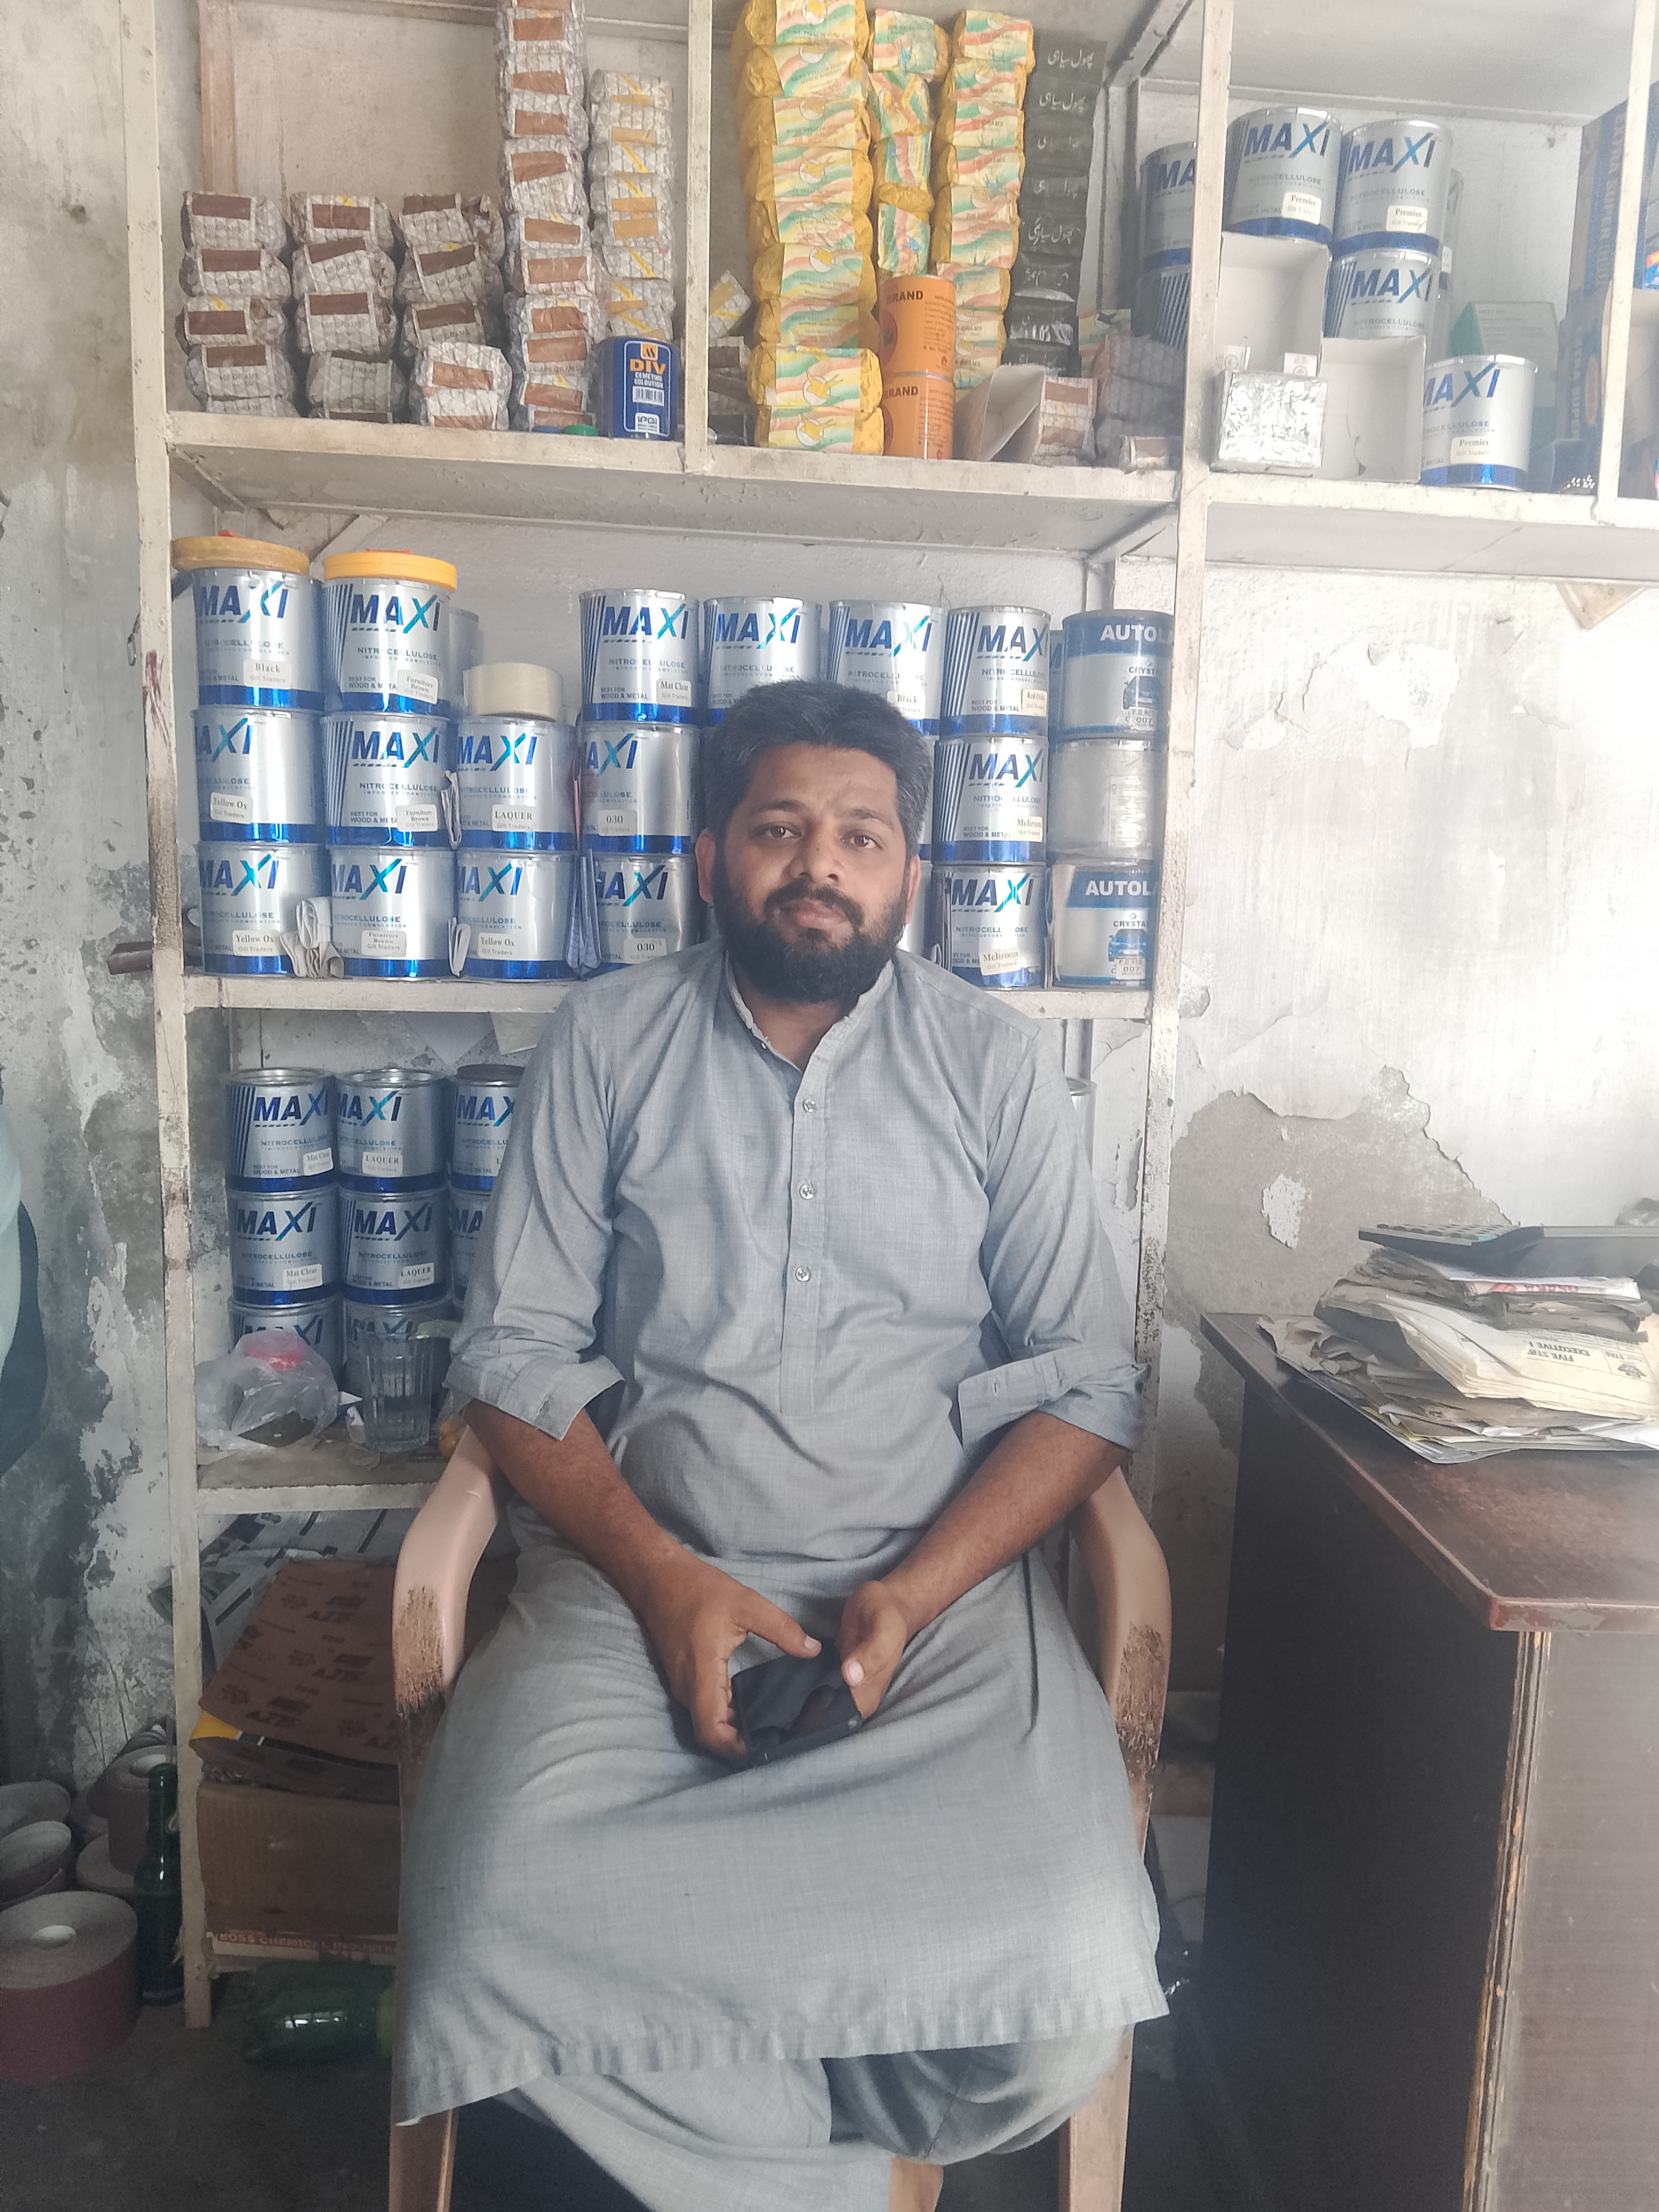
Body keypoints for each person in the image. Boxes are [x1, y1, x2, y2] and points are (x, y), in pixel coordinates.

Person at [393, 681, 1165, 2212]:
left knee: (1067, 1987)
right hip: (634, 1584)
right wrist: (663, 1578)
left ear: (912, 876)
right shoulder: (607, 1042)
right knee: (488, 1924)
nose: (821, 864)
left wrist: (912, 1596)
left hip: (935, 1605)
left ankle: (754, 2140)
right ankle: (832, 2189)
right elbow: (512, 1355)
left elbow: (1087, 1381)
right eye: (779, 830)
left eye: (862, 837)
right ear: (709, 857)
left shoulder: (997, 1065)